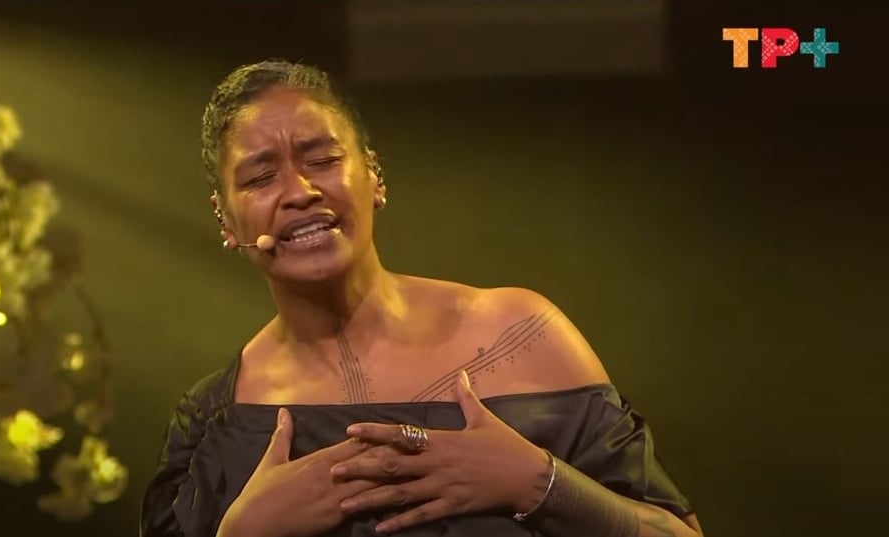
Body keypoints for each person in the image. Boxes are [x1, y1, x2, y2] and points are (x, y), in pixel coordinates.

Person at [141, 59, 703, 537]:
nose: (299, 191)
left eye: (323, 160)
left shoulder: (521, 338)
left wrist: (539, 482)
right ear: (225, 217)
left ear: (373, 175)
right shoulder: (212, 421)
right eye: (260, 178)